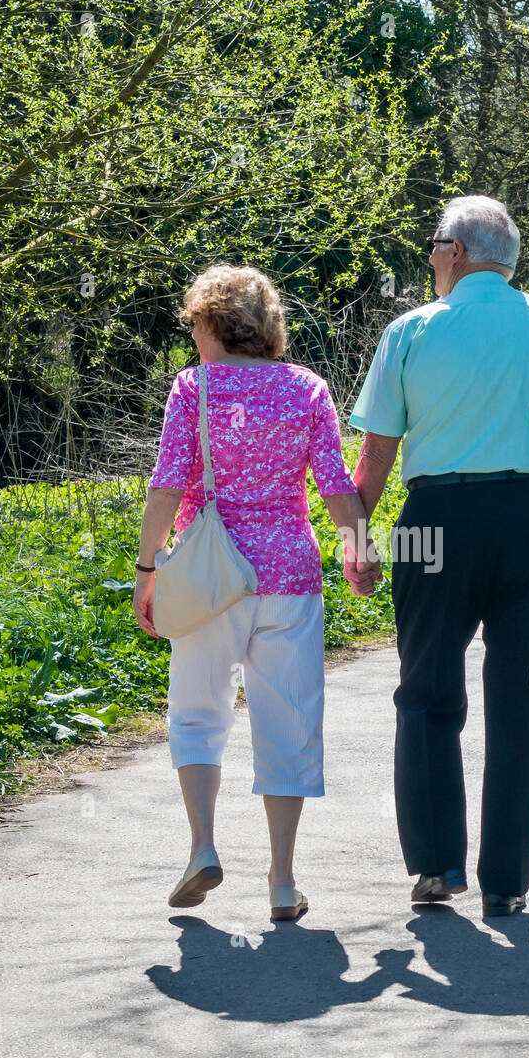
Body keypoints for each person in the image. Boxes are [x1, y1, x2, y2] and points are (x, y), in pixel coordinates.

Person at [347, 195, 529, 917]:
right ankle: (507, 881)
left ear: (457, 252)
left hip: (439, 519)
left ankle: (436, 867)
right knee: (524, 698)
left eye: (434, 245)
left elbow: (375, 452)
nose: (430, 256)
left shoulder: (412, 331)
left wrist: (355, 535)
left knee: (427, 692)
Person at [133, 264, 375, 922]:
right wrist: (360, 546)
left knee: (197, 714)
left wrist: (147, 568)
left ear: (211, 324)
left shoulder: (194, 389)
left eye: (195, 325)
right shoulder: (307, 389)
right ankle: (281, 879)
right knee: (287, 724)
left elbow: (165, 483)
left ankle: (203, 846)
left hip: (210, 580)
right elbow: (331, 483)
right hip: (289, 578)